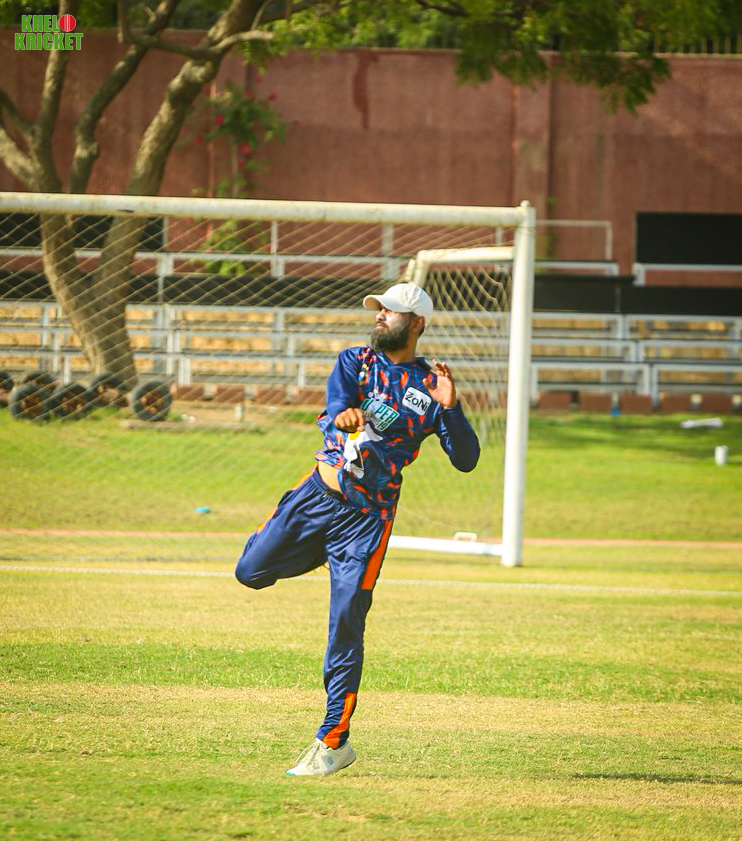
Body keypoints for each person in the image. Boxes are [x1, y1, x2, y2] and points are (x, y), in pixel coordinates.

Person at [235, 282, 480, 776]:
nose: (380, 316)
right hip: (317, 497)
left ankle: (334, 742)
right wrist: (345, 416)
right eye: (379, 309)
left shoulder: (431, 388)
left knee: (346, 624)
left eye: (392, 311)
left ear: (417, 324)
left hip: (367, 523)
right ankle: (322, 553)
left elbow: (467, 459)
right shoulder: (356, 361)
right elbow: (337, 408)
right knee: (250, 571)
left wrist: (451, 407)